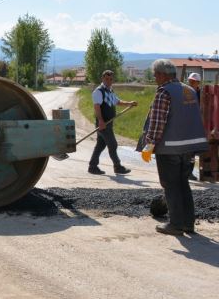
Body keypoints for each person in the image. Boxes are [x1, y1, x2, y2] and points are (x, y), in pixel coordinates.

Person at [140, 59, 209, 236]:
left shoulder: (164, 92)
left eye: (156, 75)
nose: (155, 78)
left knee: (170, 186)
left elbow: (157, 122)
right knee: (183, 184)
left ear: (163, 75)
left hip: (170, 148)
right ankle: (188, 224)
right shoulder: (190, 90)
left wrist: (149, 145)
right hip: (189, 148)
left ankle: (176, 225)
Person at [88, 70, 137, 175]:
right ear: (102, 79)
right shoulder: (98, 91)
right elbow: (97, 107)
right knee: (113, 144)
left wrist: (129, 103)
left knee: (100, 145)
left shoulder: (110, 91)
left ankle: (92, 166)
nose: (109, 81)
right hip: (103, 124)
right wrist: (101, 121)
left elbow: (117, 102)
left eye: (110, 79)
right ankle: (117, 166)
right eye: (106, 79)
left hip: (108, 123)